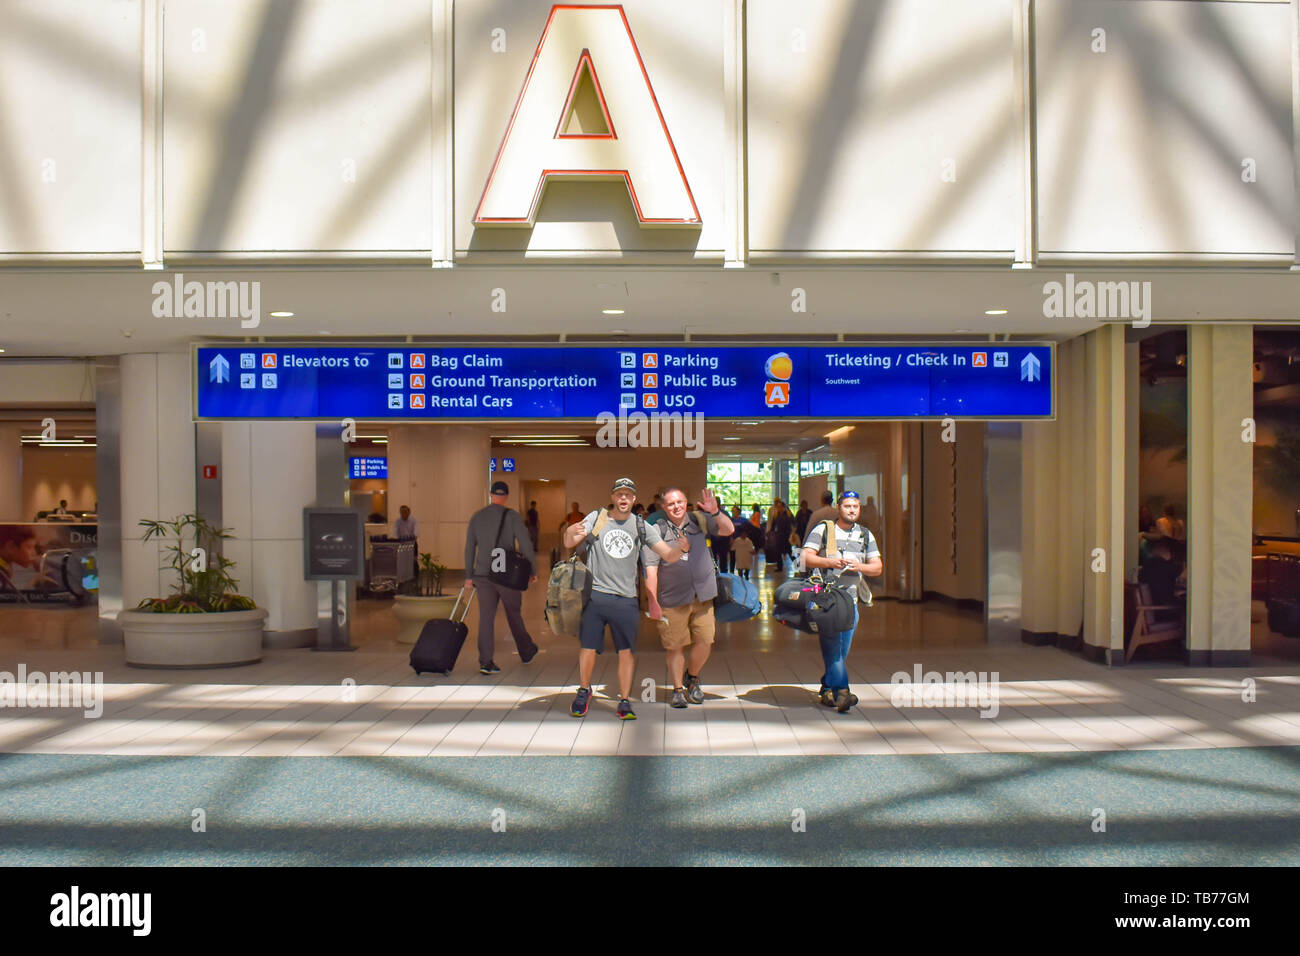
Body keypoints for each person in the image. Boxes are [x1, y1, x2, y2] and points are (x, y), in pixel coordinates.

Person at [562, 478, 689, 720]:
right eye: (619, 494)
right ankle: (584, 690)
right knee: (587, 647)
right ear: (612, 497)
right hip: (596, 595)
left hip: (626, 600)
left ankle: (623, 700)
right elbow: (569, 542)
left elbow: (667, 555)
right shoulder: (597, 518)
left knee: (626, 651)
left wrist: (681, 549)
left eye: (628, 495)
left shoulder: (641, 526)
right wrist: (569, 533)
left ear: (633, 499)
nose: (623, 498)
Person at [644, 487, 734, 709]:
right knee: (675, 646)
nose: (676, 507)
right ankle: (677, 690)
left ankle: (692, 677)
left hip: (702, 595)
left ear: (686, 503)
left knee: (705, 641)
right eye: (671, 504)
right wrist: (652, 601)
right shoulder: (655, 531)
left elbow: (728, 529)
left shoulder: (700, 521)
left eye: (680, 502)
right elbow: (650, 569)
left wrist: (715, 512)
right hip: (672, 598)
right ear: (663, 507)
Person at [801, 491, 882, 713]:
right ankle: (842, 693)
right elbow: (805, 556)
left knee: (841, 650)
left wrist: (860, 567)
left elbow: (877, 567)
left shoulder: (865, 535)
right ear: (839, 508)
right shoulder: (824, 530)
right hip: (827, 600)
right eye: (847, 506)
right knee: (833, 649)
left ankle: (828, 687)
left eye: (855, 506)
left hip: (851, 602)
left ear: (860, 509)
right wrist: (830, 562)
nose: (852, 510)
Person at [464, 481, 539, 674]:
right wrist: (532, 570)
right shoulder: (512, 516)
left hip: (482, 575)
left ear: (490, 494)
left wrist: (468, 575)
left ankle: (485, 661)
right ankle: (526, 650)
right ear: (506, 496)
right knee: (514, 614)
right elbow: (525, 544)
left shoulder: (477, 517)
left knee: (486, 618)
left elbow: (470, 547)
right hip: (507, 574)